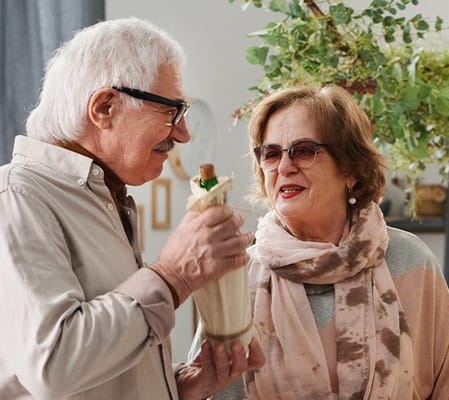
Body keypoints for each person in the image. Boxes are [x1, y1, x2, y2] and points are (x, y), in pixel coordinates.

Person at [0, 18, 261, 399]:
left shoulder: (104, 198)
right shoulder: (16, 198)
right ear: (105, 107)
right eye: (171, 110)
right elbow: (53, 366)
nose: (183, 133)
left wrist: (177, 386)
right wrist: (172, 277)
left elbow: (92, 374)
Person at [216, 85, 449, 399]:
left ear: (350, 168)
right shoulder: (236, 277)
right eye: (271, 153)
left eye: (304, 150)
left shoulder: (409, 262)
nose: (284, 167)